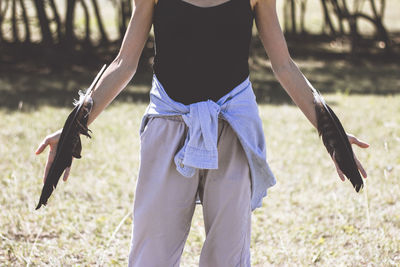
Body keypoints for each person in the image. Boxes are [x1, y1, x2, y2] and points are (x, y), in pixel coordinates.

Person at [35, 0, 370, 265]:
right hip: (169, 125)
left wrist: (332, 134)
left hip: (233, 130)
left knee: (228, 256)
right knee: (152, 254)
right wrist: (73, 128)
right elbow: (125, 63)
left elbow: (283, 65)